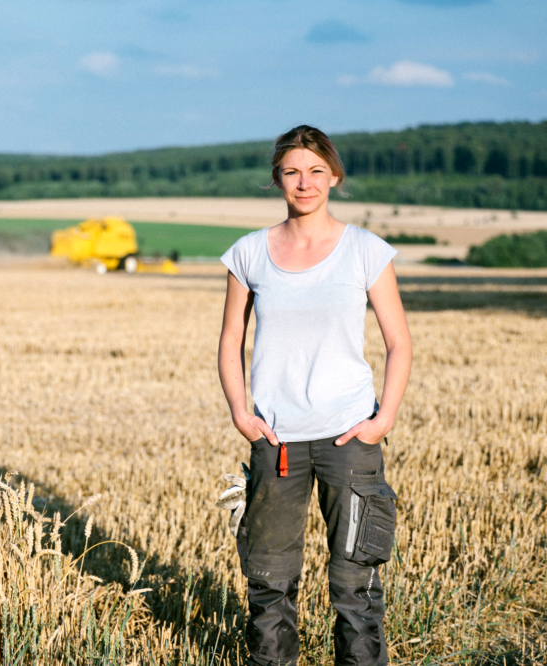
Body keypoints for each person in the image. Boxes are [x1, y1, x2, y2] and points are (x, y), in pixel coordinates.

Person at [217, 125, 412, 666]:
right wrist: (241, 412)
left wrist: (382, 419)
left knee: (357, 585)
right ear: (277, 179)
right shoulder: (250, 253)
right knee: (268, 582)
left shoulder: (365, 250)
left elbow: (399, 341)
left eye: (316, 171)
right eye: (292, 172)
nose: (304, 183)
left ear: (335, 176)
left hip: (349, 436)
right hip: (276, 440)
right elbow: (230, 340)